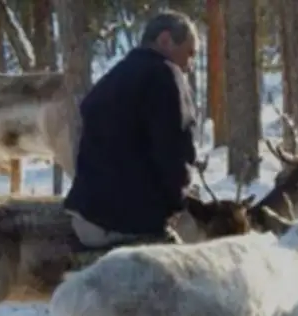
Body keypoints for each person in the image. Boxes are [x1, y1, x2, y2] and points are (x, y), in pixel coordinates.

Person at [64, 10, 199, 248]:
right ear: (165, 40)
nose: (190, 65)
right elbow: (174, 153)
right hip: (126, 223)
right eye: (189, 54)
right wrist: (178, 202)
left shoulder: (115, 76)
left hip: (85, 217)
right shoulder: (165, 74)